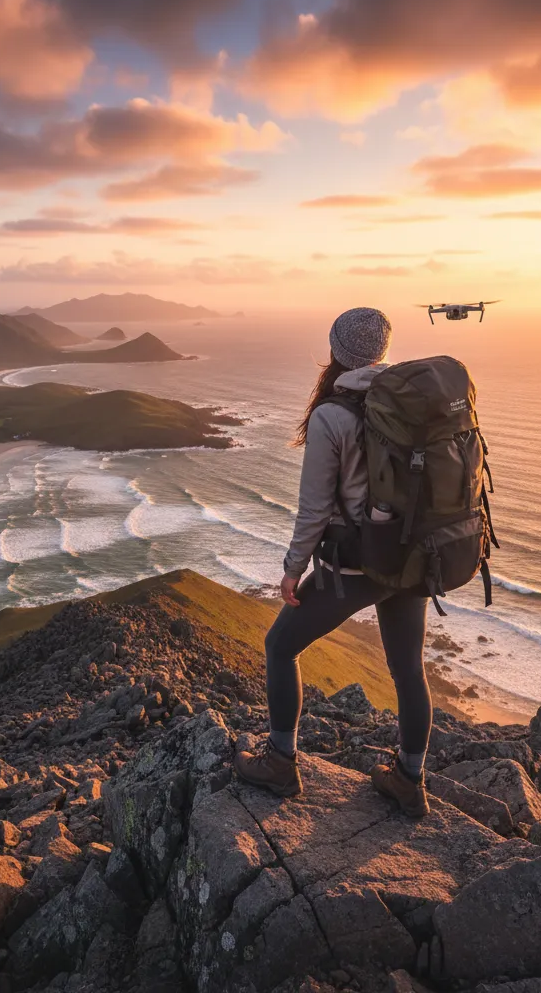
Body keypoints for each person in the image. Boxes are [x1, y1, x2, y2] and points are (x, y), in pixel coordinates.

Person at [234, 307, 432, 816]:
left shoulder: (333, 415)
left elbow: (315, 507)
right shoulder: (413, 400)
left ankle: (281, 762)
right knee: (408, 668)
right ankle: (409, 780)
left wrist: (293, 568)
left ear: (336, 351)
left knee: (280, 647)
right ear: (383, 350)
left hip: (358, 566)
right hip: (412, 558)